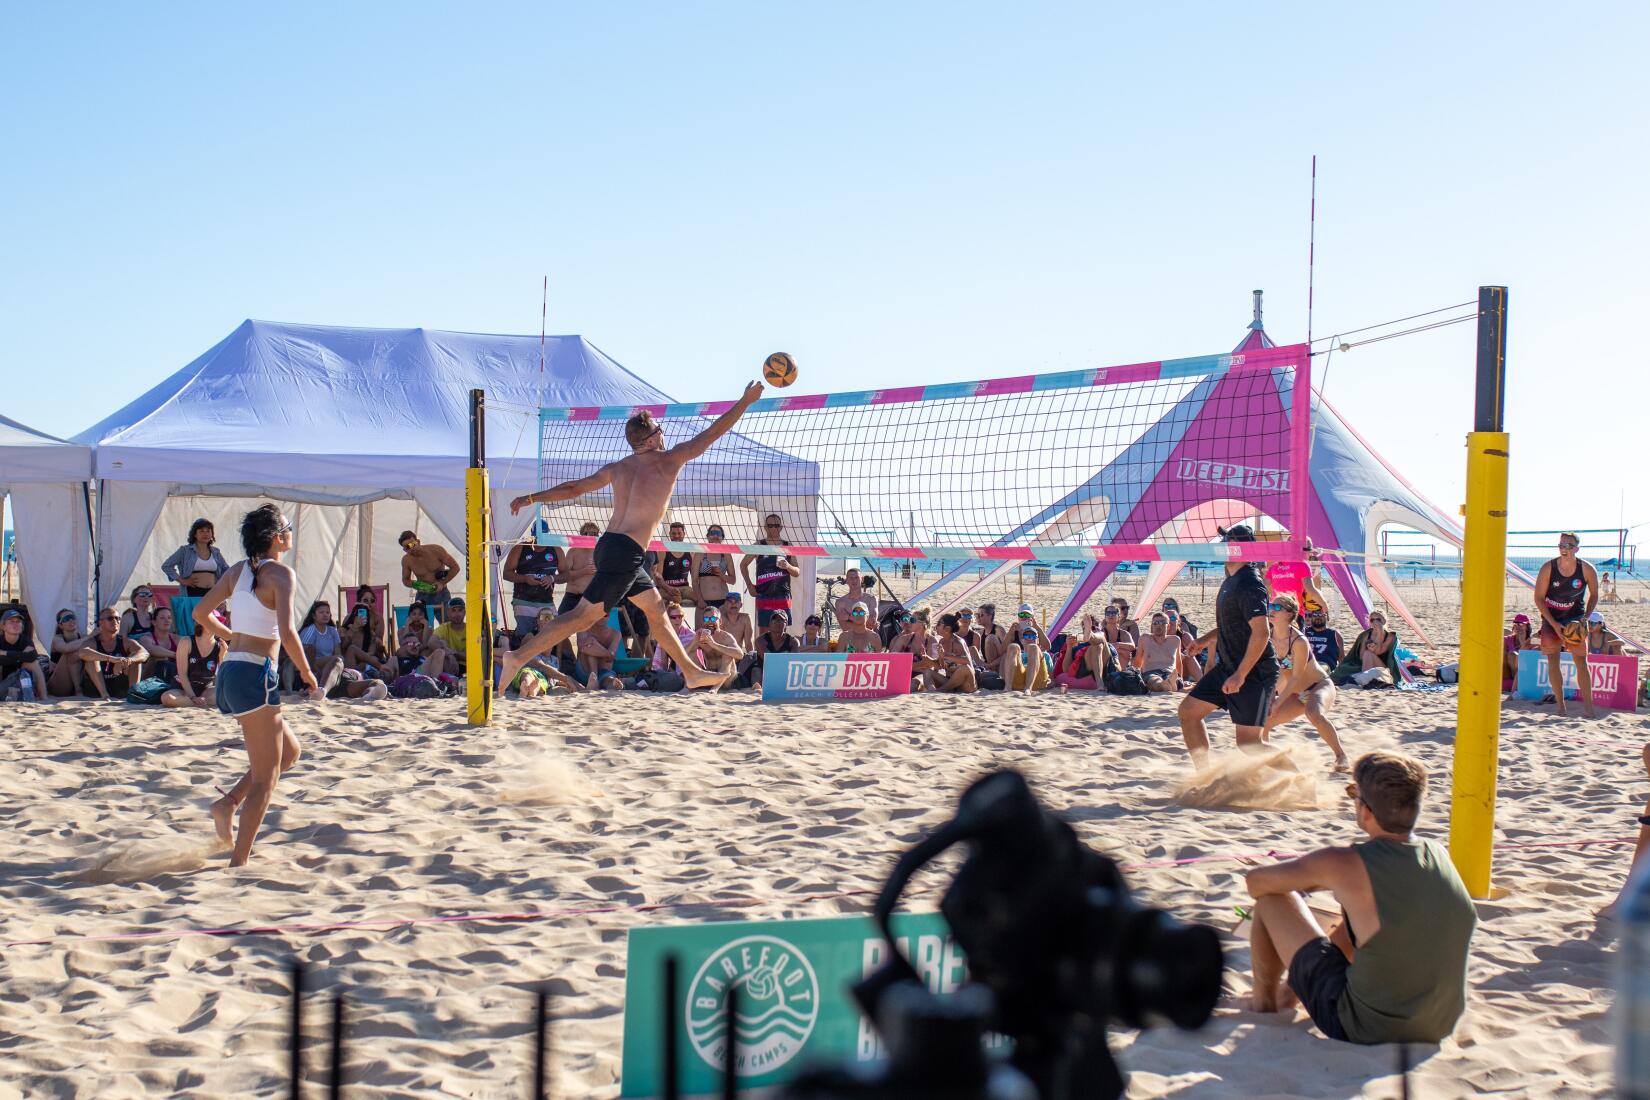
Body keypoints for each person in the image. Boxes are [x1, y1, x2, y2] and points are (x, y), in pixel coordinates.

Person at [501, 385, 768, 691]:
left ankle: (692, 672)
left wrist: (532, 497)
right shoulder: (669, 460)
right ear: (652, 437)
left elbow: (573, 488)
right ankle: (518, 657)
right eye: (659, 429)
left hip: (610, 547)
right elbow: (711, 434)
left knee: (656, 610)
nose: (662, 433)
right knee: (581, 617)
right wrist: (745, 402)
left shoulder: (619, 468)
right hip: (625, 552)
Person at [1244, 751, 1476, 1044]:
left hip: (1366, 1026)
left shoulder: (1344, 863)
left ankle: (1264, 1004)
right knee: (1362, 916)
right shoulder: (1438, 854)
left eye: (1353, 792)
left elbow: (1256, 883)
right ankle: (1290, 994)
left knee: (1273, 900)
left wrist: (1309, 881)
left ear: (1366, 810)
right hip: (1439, 1024)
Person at [193, 504, 323, 867]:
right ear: (277, 536)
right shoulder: (281, 574)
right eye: (288, 529)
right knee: (267, 777)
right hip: (253, 673)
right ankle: (239, 863)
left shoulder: (237, 571)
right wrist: (307, 673)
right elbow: (287, 631)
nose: (291, 534)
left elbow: (200, 613)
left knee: (289, 752)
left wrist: (230, 635)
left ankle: (227, 803)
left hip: (231, 670)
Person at [1179, 524, 1279, 764]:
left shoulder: (1249, 584)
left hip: (1254, 672)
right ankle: (1205, 777)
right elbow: (1232, 625)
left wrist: (1240, 675)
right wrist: (1204, 641)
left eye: (1227, 541)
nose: (1222, 546)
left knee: (1249, 744)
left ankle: (1300, 779)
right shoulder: (1230, 580)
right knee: (1188, 713)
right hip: (1229, 667)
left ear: (1240, 548)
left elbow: (1262, 632)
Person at [1261, 594, 1349, 771]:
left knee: (1313, 713)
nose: (1271, 610)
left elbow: (1295, 677)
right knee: (1265, 722)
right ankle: (1269, 763)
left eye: (1277, 608)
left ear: (1289, 614)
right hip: (1297, 693)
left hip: (1319, 685)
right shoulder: (1268, 638)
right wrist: (1271, 698)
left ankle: (1341, 756)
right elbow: (1274, 674)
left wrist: (1278, 702)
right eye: (1270, 606)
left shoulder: (1299, 641)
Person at [1534, 532, 1598, 717]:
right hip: (1551, 617)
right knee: (1553, 660)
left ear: (1576, 549)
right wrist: (1553, 624)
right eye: (1561, 545)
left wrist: (1585, 618)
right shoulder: (1548, 568)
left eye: (1568, 546)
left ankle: (1589, 709)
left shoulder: (1586, 569)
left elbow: (1594, 595)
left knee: (1581, 661)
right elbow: (1538, 598)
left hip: (1575, 618)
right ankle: (1561, 707)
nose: (1564, 549)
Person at [742, 513, 801, 628]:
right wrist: (749, 585)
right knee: (764, 631)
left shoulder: (787, 546)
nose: (773, 528)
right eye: (770, 525)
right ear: (765, 527)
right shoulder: (759, 545)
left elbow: (797, 572)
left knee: (781, 630)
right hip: (764, 594)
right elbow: (743, 564)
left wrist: (788, 566)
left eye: (776, 525)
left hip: (782, 595)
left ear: (781, 527)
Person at [79, 607, 150, 700]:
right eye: (110, 618)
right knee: (91, 659)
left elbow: (144, 653)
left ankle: (133, 695)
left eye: (118, 618)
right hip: (95, 690)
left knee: (136, 659)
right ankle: (105, 696)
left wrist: (127, 660)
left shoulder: (124, 641)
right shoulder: (92, 642)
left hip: (119, 688)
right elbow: (83, 653)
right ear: (100, 622)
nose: (115, 621)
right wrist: (111, 659)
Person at [502, 529, 561, 628]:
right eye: (536, 538)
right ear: (532, 536)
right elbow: (506, 574)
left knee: (549, 632)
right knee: (526, 635)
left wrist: (552, 578)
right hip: (523, 601)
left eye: (542, 538)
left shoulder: (556, 549)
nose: (539, 542)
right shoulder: (520, 548)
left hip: (546, 603)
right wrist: (525, 579)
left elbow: (567, 575)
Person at [161, 518, 231, 596]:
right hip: (191, 592)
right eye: (201, 531)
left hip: (212, 592)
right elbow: (166, 566)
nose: (206, 534)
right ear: (195, 534)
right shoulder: (185, 550)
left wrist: (220, 583)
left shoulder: (216, 552)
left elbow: (226, 569)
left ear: (212, 534)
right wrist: (182, 580)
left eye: (208, 531)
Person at [1330, 611, 1401, 688]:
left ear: (1384, 621)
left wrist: (1380, 632)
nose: (1375, 622)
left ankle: (1364, 679)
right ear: (1369, 623)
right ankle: (1366, 678)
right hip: (1366, 664)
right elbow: (1361, 656)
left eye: (1378, 619)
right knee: (1367, 654)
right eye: (1372, 620)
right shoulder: (1365, 635)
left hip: (1383, 667)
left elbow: (1379, 651)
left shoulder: (1391, 636)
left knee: (1369, 654)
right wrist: (1370, 649)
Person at [163, 626, 226, 708]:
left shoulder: (220, 646)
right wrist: (193, 697)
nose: (214, 625)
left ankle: (196, 703)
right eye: (211, 622)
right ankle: (200, 703)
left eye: (216, 622)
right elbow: (182, 674)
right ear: (202, 623)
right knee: (167, 698)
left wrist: (222, 656)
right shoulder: (186, 642)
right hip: (183, 689)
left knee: (225, 693)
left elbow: (223, 677)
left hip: (206, 689)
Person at [690, 523, 737, 630]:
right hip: (704, 602)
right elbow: (694, 580)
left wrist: (721, 575)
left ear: (722, 537)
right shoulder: (700, 553)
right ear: (707, 536)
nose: (715, 536)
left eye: (718, 533)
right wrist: (700, 600)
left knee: (721, 635)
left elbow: (733, 580)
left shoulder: (726, 555)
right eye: (712, 533)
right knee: (701, 635)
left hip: (722, 602)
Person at [398, 530, 460, 607]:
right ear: (404, 550)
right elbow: (405, 580)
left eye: (412, 544)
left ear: (418, 541)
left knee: (446, 619)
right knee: (419, 619)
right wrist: (416, 585)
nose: (411, 548)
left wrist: (442, 583)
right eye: (407, 547)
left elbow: (455, 568)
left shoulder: (436, 550)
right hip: (422, 595)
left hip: (441, 593)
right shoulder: (406, 560)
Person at [922, 614, 978, 693]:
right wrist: (927, 659)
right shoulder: (942, 642)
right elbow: (940, 666)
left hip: (966, 685)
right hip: (950, 682)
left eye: (939, 624)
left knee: (964, 669)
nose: (936, 626)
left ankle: (940, 690)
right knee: (927, 671)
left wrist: (945, 656)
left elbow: (967, 661)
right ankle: (932, 691)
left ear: (947, 629)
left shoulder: (958, 642)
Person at [297, 601, 346, 691]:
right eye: (321, 612)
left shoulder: (333, 631)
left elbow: (338, 652)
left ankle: (322, 689)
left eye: (327, 612)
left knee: (339, 659)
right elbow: (302, 651)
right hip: (314, 664)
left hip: (329, 662)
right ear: (314, 616)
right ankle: (320, 688)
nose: (325, 615)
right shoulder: (311, 630)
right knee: (337, 659)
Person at [0, 608, 46, 702]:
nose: (16, 624)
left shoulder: (25, 640)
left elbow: (32, 657)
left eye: (18, 621)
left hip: (20, 677)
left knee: (33, 664)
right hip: (3, 679)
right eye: (12, 621)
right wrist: (21, 656)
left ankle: (44, 698)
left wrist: (5, 653)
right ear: (3, 626)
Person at [1003, 606, 1050, 696]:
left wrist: (1037, 627)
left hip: (1037, 679)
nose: (1024, 616)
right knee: (1013, 646)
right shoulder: (1014, 630)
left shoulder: (1036, 631)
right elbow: (1002, 651)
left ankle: (1028, 688)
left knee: (1033, 647)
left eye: (1027, 614)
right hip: (1019, 678)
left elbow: (1048, 647)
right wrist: (1010, 631)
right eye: (1022, 614)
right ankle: (1008, 686)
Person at [1134, 611, 1185, 693]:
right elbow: (1138, 661)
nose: (1158, 625)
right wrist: (1135, 677)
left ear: (1168, 626)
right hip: (1151, 673)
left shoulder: (1175, 640)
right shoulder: (1145, 639)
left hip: (1169, 672)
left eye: (1162, 623)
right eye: (1155, 623)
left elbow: (1178, 662)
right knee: (1154, 680)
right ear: (1152, 626)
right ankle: (1167, 685)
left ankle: (1170, 684)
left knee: (1174, 679)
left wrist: (1181, 678)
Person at [341, 604, 394, 680]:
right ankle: (355, 679)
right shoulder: (343, 630)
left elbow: (371, 652)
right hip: (348, 664)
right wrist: (354, 628)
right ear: (353, 616)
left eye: (366, 615)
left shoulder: (369, 634)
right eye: (359, 614)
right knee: (352, 649)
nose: (362, 617)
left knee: (373, 658)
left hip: (363, 664)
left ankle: (372, 676)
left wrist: (361, 658)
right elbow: (343, 647)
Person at [47, 608, 92, 697]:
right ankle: (78, 691)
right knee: (71, 653)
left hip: (81, 677)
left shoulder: (83, 637)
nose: (70, 620)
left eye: (72, 617)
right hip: (59, 684)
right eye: (66, 619)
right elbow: (66, 648)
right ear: (61, 625)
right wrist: (90, 636)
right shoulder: (57, 638)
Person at [573, 614, 625, 689]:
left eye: (605, 614)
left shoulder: (616, 634)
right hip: (584, 670)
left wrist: (596, 647)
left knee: (608, 679)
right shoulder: (584, 629)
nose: (602, 616)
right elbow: (583, 648)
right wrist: (607, 653)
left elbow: (609, 659)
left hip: (604, 670)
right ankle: (594, 678)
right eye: (600, 613)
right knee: (590, 652)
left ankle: (612, 683)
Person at [693, 606, 746, 680]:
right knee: (692, 654)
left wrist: (714, 644)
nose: (710, 621)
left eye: (713, 618)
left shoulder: (726, 637)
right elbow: (684, 654)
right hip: (711, 676)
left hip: (728, 679)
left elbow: (740, 655)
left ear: (720, 621)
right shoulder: (700, 637)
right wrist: (694, 641)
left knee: (728, 654)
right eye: (706, 619)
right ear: (703, 621)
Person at [654, 521, 695, 606]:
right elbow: (658, 576)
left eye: (679, 533)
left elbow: (695, 577)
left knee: (700, 599)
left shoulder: (691, 551)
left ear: (684, 534)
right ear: (669, 534)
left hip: (684, 588)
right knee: (676, 599)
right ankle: (671, 618)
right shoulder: (663, 551)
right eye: (674, 533)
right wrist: (668, 588)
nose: (676, 536)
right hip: (666, 587)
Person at [754, 609, 798, 683]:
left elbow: (793, 662)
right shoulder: (760, 641)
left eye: (781, 620)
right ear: (770, 623)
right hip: (765, 669)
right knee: (756, 670)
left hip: (785, 671)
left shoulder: (793, 642)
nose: (777, 622)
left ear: (786, 624)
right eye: (774, 619)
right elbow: (769, 661)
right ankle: (757, 689)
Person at [432, 597, 469, 677]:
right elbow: (431, 642)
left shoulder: (471, 629)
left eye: (460, 610)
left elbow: (470, 656)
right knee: (441, 646)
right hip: (450, 664)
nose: (457, 614)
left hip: (470, 666)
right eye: (453, 610)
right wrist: (449, 654)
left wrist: (453, 653)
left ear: (465, 612)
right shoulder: (444, 627)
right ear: (448, 613)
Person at [144, 605, 180, 682]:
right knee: (161, 658)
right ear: (154, 622)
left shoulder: (177, 638)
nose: (167, 620)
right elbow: (152, 650)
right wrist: (175, 655)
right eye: (162, 618)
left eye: (169, 618)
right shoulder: (145, 638)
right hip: (152, 679)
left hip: (176, 676)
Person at [1303, 607, 1345, 672]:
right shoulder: (1304, 632)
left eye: (1322, 615)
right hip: (1306, 664)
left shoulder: (1334, 634)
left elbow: (1341, 657)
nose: (1318, 617)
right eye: (1315, 615)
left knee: (1320, 668)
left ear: (1327, 617)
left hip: (1325, 665)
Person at [1502, 613, 1536, 691]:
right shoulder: (1507, 639)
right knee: (1506, 654)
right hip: (1508, 675)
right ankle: (1510, 683)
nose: (1518, 627)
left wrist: (1522, 643)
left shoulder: (1532, 641)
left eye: (1521, 624)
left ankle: (1513, 684)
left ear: (1527, 627)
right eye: (1515, 624)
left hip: (1524, 675)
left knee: (1513, 655)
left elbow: (1529, 661)